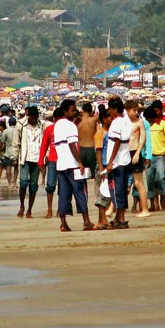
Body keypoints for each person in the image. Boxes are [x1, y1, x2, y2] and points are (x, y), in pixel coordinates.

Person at [54, 99, 94, 232]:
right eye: (72, 110)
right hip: (72, 164)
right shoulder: (70, 126)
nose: (75, 112)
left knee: (64, 194)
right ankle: (86, 221)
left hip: (61, 165)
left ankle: (63, 223)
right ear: (65, 111)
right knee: (80, 192)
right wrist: (80, 162)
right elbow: (72, 145)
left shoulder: (58, 124)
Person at [105, 97, 132, 229]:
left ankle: (120, 218)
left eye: (110, 109)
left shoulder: (117, 122)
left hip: (117, 162)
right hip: (124, 159)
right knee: (121, 190)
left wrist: (110, 162)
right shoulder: (126, 121)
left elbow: (116, 141)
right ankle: (119, 217)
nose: (108, 111)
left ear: (115, 109)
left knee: (116, 191)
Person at [14, 105, 44, 218]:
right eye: (32, 117)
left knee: (33, 186)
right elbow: (16, 142)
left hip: (37, 159)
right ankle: (22, 205)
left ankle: (29, 209)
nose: (34, 119)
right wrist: (14, 157)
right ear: (28, 116)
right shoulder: (21, 125)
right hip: (25, 158)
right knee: (23, 183)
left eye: (35, 117)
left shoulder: (41, 125)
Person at [126, 101, 151, 218]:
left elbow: (143, 139)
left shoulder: (140, 122)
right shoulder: (123, 122)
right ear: (127, 110)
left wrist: (137, 153)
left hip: (135, 152)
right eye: (134, 110)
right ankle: (114, 207)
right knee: (121, 182)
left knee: (138, 182)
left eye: (137, 110)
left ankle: (145, 209)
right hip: (125, 153)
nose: (136, 113)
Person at [38, 108, 61, 218]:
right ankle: (49, 210)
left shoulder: (66, 128)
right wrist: (40, 160)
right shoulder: (49, 129)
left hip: (63, 161)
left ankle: (60, 209)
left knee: (62, 187)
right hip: (52, 159)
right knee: (50, 186)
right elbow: (44, 145)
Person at [94, 109, 113, 229]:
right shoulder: (101, 133)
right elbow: (98, 151)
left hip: (109, 165)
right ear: (104, 119)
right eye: (110, 117)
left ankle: (103, 220)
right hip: (104, 166)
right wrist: (101, 168)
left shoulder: (110, 132)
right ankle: (102, 220)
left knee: (107, 194)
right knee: (103, 194)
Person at [77, 102, 98, 182]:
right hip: (91, 149)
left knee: (82, 176)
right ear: (91, 111)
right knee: (94, 176)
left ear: (83, 110)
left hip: (81, 149)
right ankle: (96, 194)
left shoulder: (78, 120)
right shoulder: (93, 120)